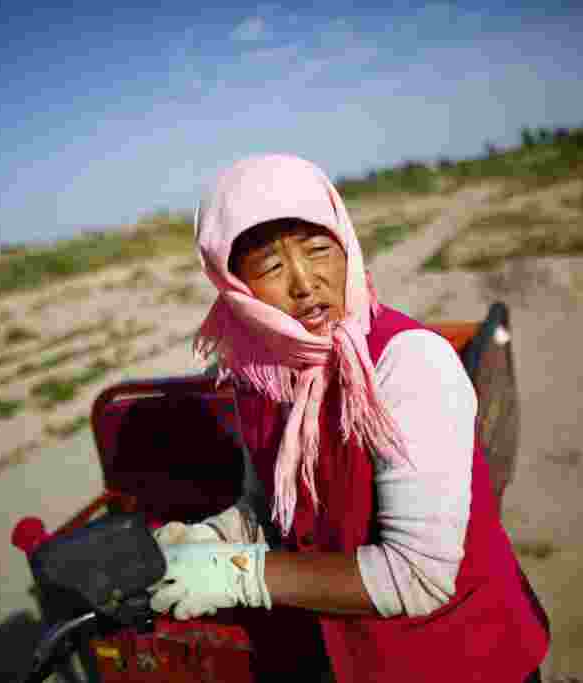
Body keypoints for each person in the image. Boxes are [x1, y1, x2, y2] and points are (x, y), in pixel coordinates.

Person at [146, 153, 549, 682]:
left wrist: (237, 574)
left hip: (466, 661)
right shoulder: (258, 374)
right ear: (234, 284)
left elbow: (417, 575)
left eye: (318, 250)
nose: (305, 282)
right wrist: (216, 537)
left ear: (346, 247)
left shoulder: (408, 365)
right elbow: (272, 507)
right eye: (270, 265)